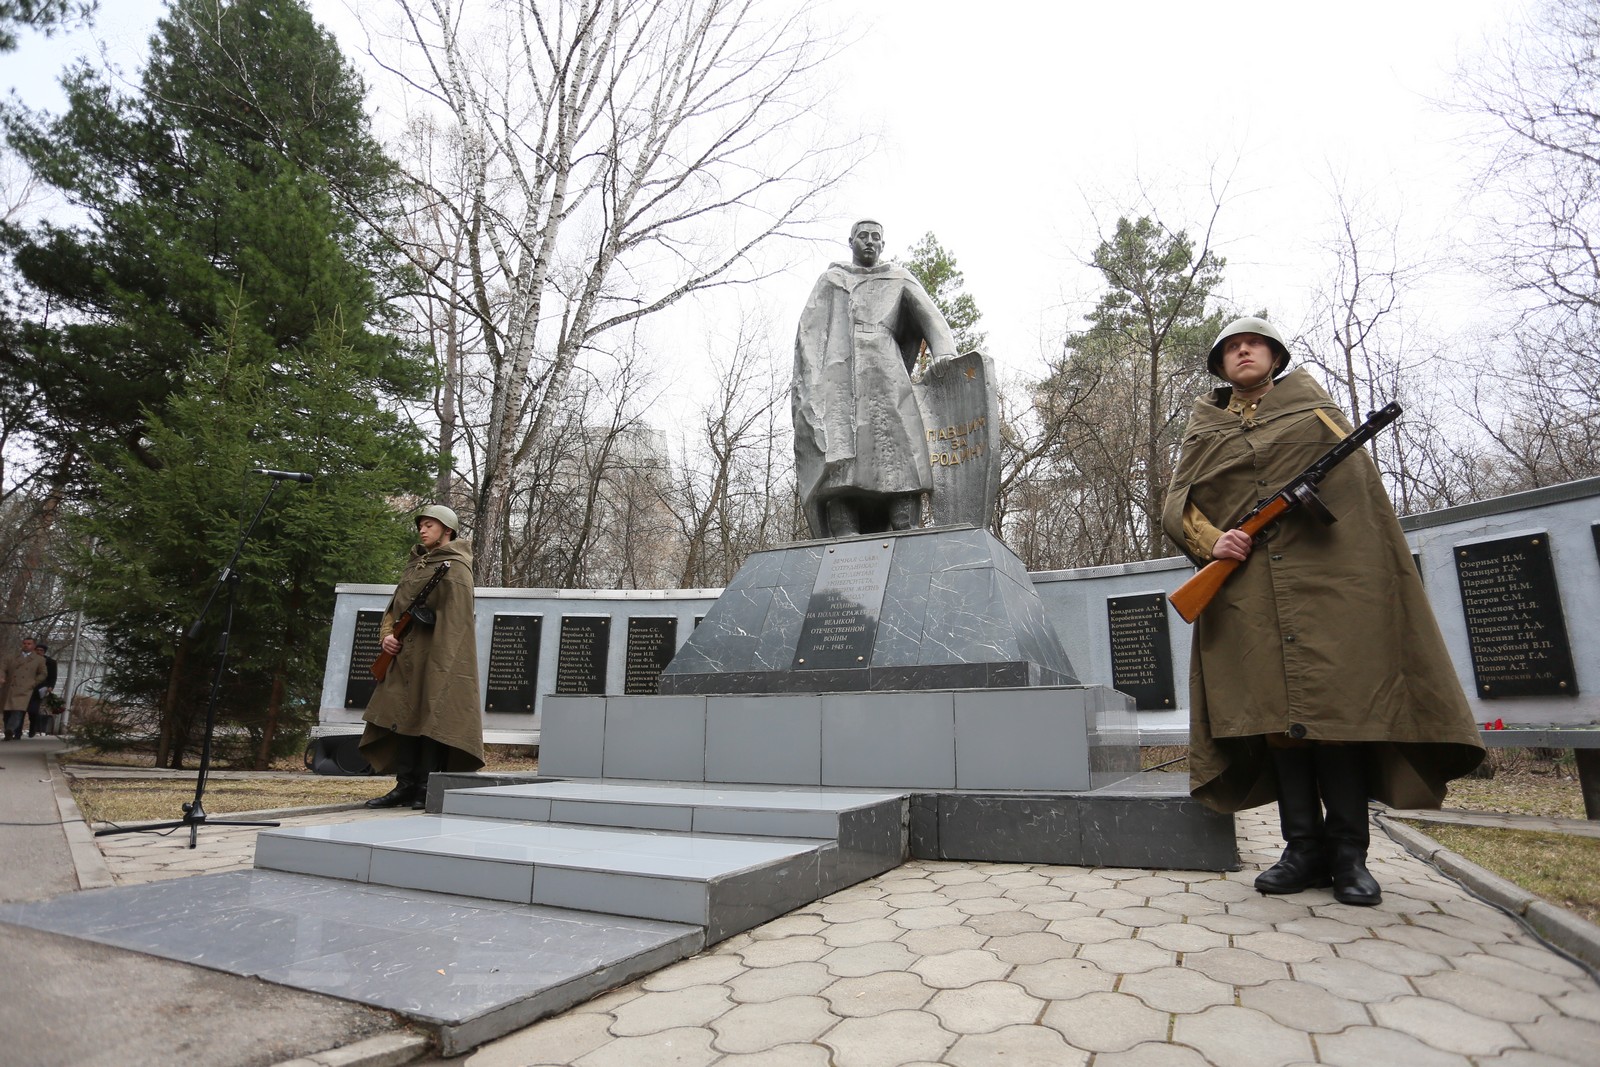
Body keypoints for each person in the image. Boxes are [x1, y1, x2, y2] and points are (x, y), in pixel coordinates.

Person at [1161, 316, 1484, 907]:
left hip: (1326, 588)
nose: (1243, 351)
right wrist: (1215, 541)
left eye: (1253, 342)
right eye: (1231, 347)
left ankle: (1349, 858)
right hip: (1248, 592)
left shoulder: (1315, 410)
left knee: (1336, 719)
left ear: (1275, 354)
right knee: (1281, 723)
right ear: (1219, 365)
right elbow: (1178, 503)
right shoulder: (1203, 428)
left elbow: (1359, 500)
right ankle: (1301, 851)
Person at [792, 218, 958, 537]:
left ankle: (904, 517)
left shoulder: (898, 278)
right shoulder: (832, 280)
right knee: (841, 449)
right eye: (863, 236)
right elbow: (809, 334)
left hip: (885, 367)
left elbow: (931, 317)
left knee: (899, 443)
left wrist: (944, 351)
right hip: (838, 373)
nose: (870, 242)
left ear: (883, 244)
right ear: (851, 241)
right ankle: (844, 523)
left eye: (876, 238)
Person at [358, 505, 485, 808]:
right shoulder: (416, 565)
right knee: (401, 717)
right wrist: (387, 636)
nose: (423, 530)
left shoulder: (456, 568)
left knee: (430, 718)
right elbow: (395, 608)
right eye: (421, 525)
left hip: (437, 658)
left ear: (448, 530)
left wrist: (443, 665)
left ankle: (425, 787)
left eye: (430, 525)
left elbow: (457, 624)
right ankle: (404, 785)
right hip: (405, 656)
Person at [2, 636, 48, 741]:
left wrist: (33, 683)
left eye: (29, 644)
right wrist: (2, 677)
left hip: (25, 689)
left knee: (18, 710)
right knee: (7, 712)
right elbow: (2, 667)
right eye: (24, 643)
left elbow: (43, 673)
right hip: (10, 687)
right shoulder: (12, 657)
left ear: (33, 646)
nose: (26, 645)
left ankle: (10, 729)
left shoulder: (39, 659)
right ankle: (7, 731)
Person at [26, 641, 58, 737]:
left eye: (41, 650)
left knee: (33, 710)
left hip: (40, 689)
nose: (39, 652)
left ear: (44, 652)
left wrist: (50, 687)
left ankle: (32, 728)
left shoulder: (50, 662)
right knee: (21, 710)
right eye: (37, 650)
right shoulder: (28, 660)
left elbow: (53, 676)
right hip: (26, 688)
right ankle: (17, 731)